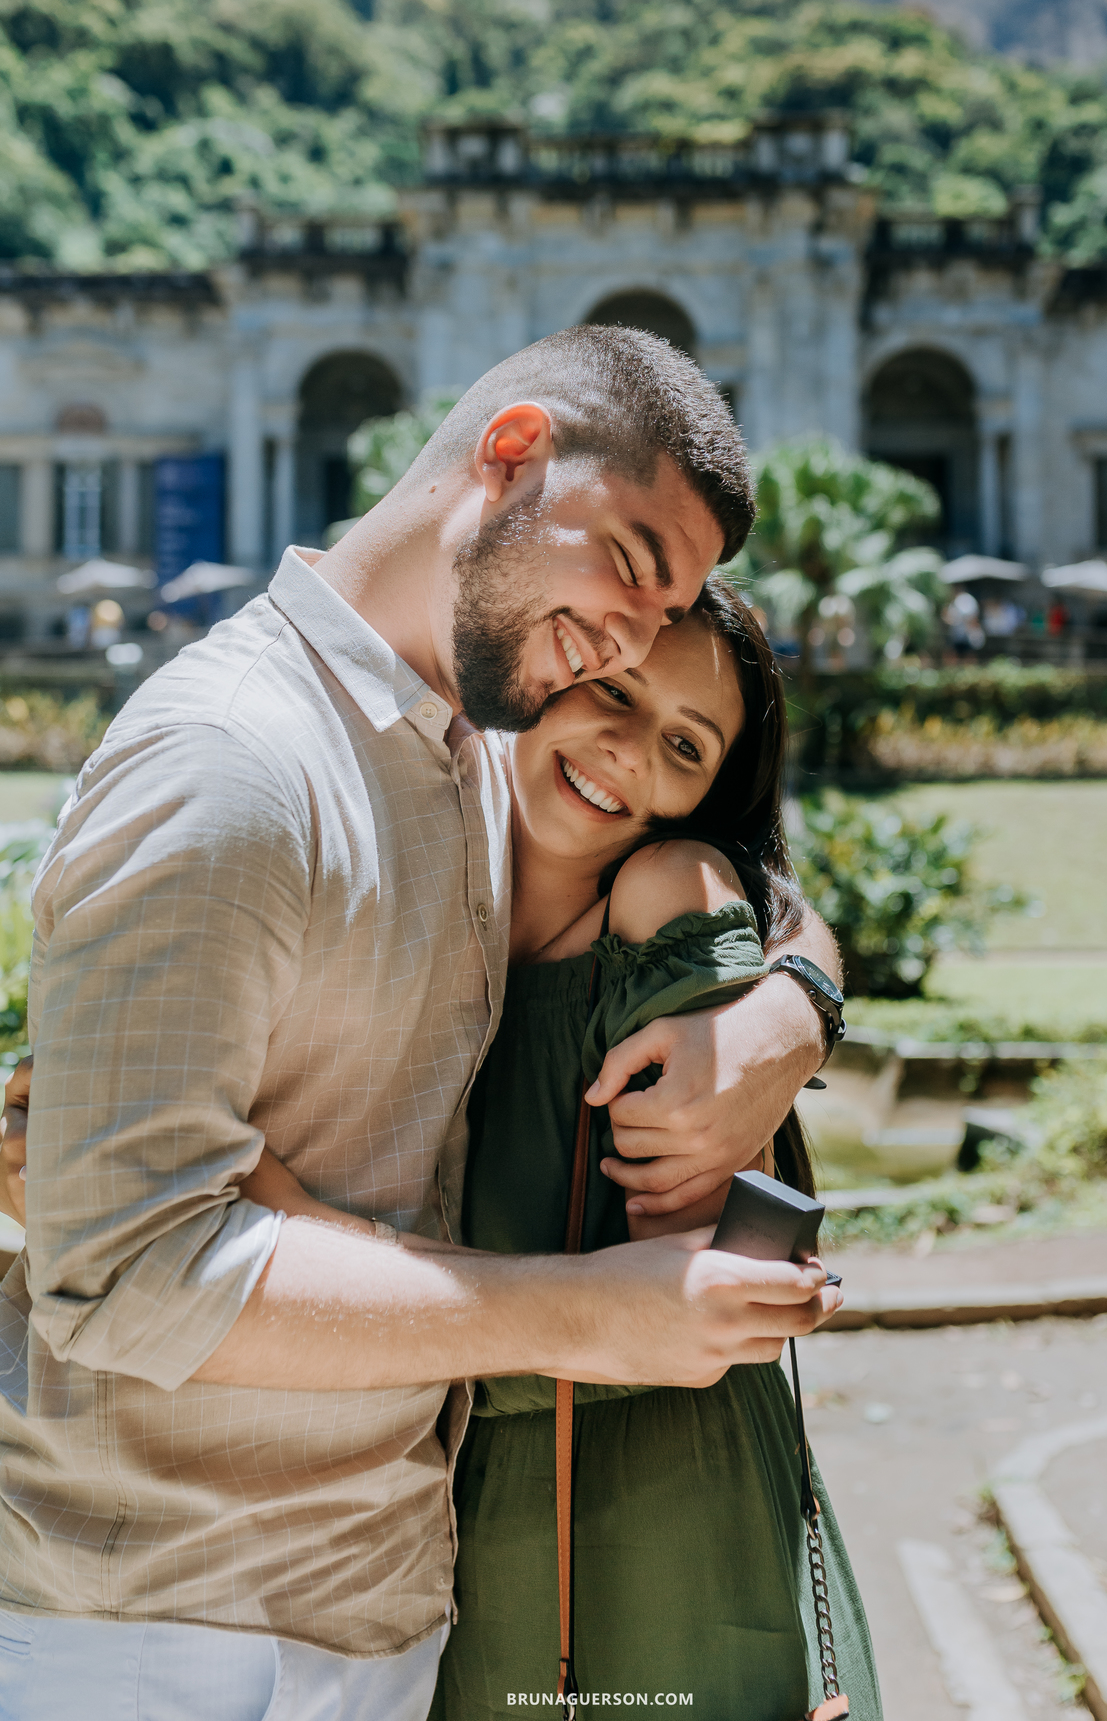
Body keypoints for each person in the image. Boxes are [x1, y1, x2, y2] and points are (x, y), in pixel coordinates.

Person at [0, 327, 843, 1721]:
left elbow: (739, 866)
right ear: (509, 452)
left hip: (371, 1605)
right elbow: (128, 1264)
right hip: (162, 1627)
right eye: (631, 563)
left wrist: (791, 1000)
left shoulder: (460, 752)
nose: (629, 638)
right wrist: (582, 1317)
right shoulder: (238, 759)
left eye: (662, 616)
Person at [236, 579, 881, 1720]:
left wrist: (274, 1211)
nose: (628, 751)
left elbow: (693, 1304)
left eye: (684, 742)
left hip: (651, 1521)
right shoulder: (411, 882)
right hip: (432, 1527)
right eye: (615, 693)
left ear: (702, 793)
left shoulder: (662, 895)